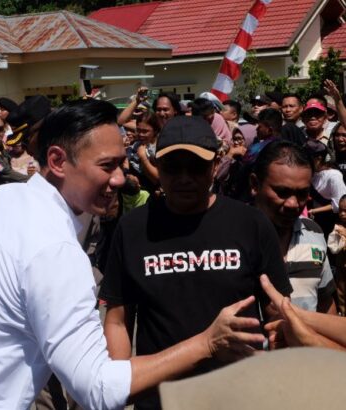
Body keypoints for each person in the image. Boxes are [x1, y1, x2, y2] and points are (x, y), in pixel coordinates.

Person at [0, 100, 270, 410]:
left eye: (123, 164)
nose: (121, 178)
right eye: (107, 166)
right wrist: (206, 342)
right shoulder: (56, 252)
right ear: (58, 161)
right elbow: (98, 388)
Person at [99, 116, 292, 410]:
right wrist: (120, 385)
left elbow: (277, 312)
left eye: (196, 167)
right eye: (172, 167)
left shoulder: (250, 224)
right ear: (156, 167)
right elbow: (117, 320)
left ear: (215, 165)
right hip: (161, 398)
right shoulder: (132, 228)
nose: (184, 177)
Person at [251, 140, 336, 313]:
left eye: (302, 194)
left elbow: (326, 305)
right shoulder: (230, 235)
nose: (292, 203)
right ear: (254, 185)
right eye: (282, 192)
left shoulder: (313, 232)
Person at [305, 139, 346, 237]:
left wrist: (313, 211)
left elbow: (337, 205)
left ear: (318, 159)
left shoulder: (334, 176)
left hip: (329, 223)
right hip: (314, 220)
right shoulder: (312, 174)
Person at [327, 195, 346, 315]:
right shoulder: (339, 226)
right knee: (341, 293)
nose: (342, 214)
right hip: (341, 268)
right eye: (340, 210)